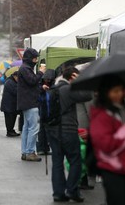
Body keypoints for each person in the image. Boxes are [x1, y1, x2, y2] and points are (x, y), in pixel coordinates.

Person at [90, 76, 125, 205]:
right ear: (106, 92)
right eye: (115, 91)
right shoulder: (101, 114)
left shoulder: (120, 110)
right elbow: (106, 145)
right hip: (112, 168)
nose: (119, 94)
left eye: (121, 90)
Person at [45, 67, 92, 203]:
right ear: (72, 76)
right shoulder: (69, 89)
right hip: (68, 130)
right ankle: (72, 190)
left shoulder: (52, 89)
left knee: (58, 162)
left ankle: (58, 193)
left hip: (52, 130)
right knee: (75, 160)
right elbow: (87, 95)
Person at [17, 48, 46, 162]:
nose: (36, 61)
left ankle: (25, 151)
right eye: (35, 58)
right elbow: (32, 81)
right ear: (30, 58)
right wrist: (40, 72)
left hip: (25, 102)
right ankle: (30, 152)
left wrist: (41, 88)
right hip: (30, 102)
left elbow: (30, 85)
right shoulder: (26, 68)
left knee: (26, 128)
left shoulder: (24, 68)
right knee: (34, 128)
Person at [0, 71, 21, 137]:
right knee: (9, 119)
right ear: (15, 76)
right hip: (8, 105)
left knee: (12, 118)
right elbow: (15, 91)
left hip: (11, 105)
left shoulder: (12, 81)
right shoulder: (9, 82)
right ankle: (9, 131)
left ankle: (11, 130)